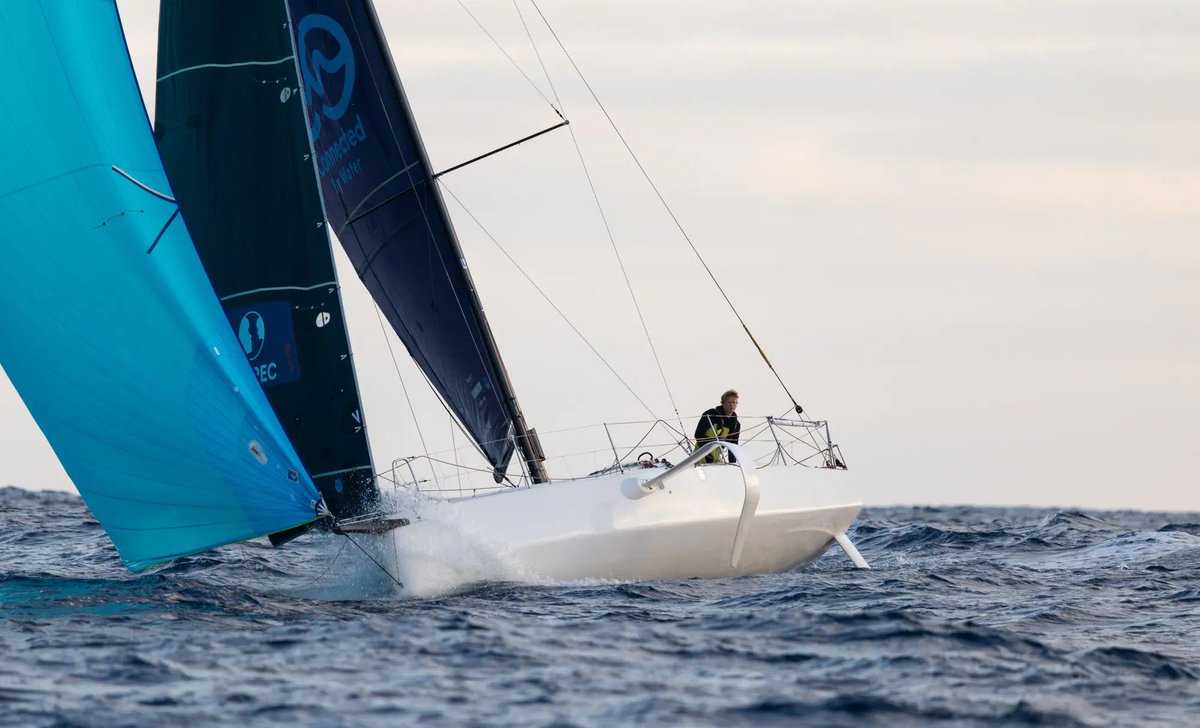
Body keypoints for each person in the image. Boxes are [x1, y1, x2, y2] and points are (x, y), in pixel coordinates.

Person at [694, 389, 741, 463]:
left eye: (734, 402)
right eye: (729, 402)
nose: (732, 405)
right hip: (700, 455)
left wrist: (733, 465)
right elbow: (698, 435)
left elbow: (733, 446)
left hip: (716, 457)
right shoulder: (711, 415)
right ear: (723, 403)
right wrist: (709, 456)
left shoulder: (736, 424)